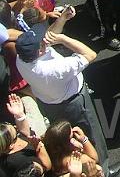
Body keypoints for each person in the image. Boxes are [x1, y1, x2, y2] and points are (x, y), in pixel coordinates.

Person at [15, 21, 112, 173]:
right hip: (75, 104)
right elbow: (90, 54)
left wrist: (63, 19)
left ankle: (77, 168)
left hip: (50, 104)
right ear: (40, 49)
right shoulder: (53, 70)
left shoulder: (21, 59)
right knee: (91, 135)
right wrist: (63, 39)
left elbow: (49, 36)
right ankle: (102, 170)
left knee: (66, 141)